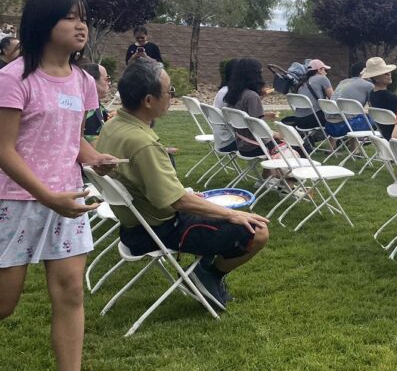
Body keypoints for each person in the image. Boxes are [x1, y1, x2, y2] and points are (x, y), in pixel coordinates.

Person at [0, 0, 120, 371]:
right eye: (69, 17)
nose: (80, 24)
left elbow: (73, 142)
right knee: (4, 304)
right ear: (42, 24)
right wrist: (47, 196)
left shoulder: (84, 81)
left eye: (82, 17)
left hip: (68, 200)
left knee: (70, 292)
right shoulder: (13, 79)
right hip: (16, 202)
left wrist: (95, 158)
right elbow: (5, 149)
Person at [96, 58, 269, 307]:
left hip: (135, 227)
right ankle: (206, 274)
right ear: (148, 100)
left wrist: (188, 195)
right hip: (158, 230)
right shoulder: (141, 142)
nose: (171, 97)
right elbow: (177, 201)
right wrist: (231, 215)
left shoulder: (113, 125)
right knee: (258, 232)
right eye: (169, 92)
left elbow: (164, 191)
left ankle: (204, 272)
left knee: (221, 212)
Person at [366, 57, 397, 139]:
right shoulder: (386, 95)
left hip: (386, 134)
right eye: (385, 73)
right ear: (376, 78)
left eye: (389, 72)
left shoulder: (372, 94)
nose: (389, 74)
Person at [81, 63, 112, 139]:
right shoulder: (85, 110)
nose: (109, 83)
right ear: (92, 80)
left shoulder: (96, 104)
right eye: (107, 79)